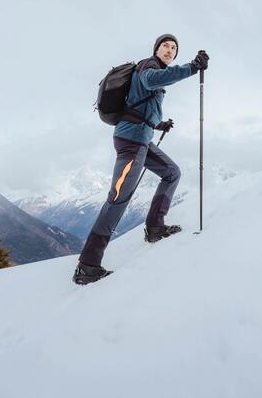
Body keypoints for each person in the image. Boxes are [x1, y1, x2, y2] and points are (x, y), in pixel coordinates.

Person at [73, 34, 210, 285]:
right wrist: (192, 67)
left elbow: (139, 105)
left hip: (141, 140)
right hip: (131, 143)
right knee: (118, 199)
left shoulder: (154, 71)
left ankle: (155, 227)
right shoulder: (149, 67)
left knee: (172, 172)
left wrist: (159, 124)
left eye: (173, 48)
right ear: (156, 49)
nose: (169, 50)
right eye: (165, 46)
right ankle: (87, 265)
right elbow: (151, 81)